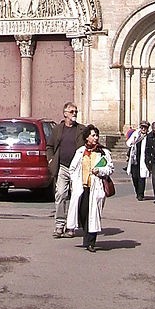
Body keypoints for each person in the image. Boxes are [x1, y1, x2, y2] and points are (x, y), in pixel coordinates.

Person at [66, 125, 114, 252]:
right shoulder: (81, 152)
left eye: (96, 135)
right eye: (93, 135)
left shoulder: (103, 152)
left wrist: (100, 171)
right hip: (82, 188)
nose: (96, 138)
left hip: (96, 188)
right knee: (82, 213)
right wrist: (75, 181)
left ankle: (90, 242)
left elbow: (110, 168)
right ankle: (86, 236)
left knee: (93, 215)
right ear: (87, 137)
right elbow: (72, 168)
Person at [47, 102, 86, 238]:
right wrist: (51, 159)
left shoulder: (81, 129)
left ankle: (71, 226)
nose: (74, 114)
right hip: (62, 167)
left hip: (77, 169)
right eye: (71, 111)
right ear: (65, 114)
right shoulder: (57, 129)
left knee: (75, 197)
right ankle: (59, 225)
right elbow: (49, 146)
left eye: (76, 111)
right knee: (61, 194)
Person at [126, 120, 150, 200]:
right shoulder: (136, 134)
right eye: (142, 127)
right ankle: (137, 191)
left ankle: (140, 194)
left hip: (143, 160)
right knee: (134, 177)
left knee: (142, 177)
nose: (143, 129)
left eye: (145, 128)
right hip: (134, 159)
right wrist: (133, 141)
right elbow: (128, 143)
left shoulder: (149, 137)